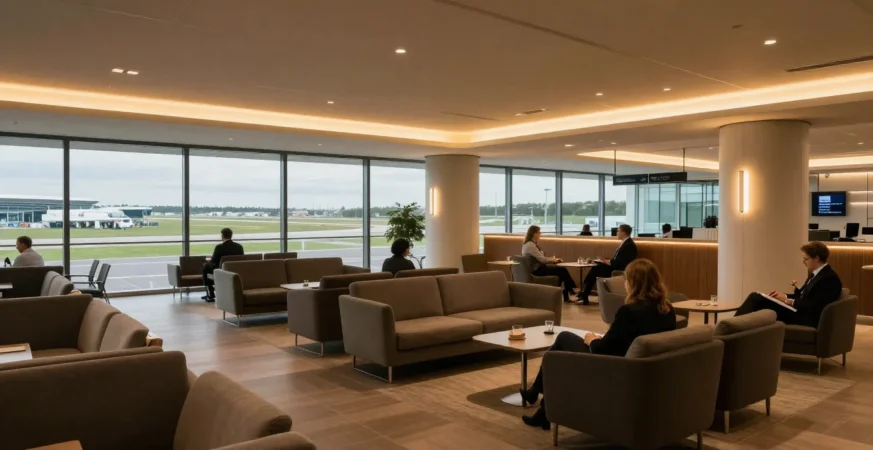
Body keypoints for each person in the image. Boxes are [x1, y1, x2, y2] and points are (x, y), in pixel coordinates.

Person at [520, 258, 676, 430]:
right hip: (641, 368)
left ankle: (536, 395)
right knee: (557, 355)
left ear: (633, 283)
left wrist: (592, 340)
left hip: (612, 368)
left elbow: (602, 350)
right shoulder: (667, 309)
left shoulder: (629, 312)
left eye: (626, 280)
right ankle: (540, 406)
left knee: (562, 341)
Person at [734, 241, 842, 327]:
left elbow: (815, 306)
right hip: (799, 311)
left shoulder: (829, 279)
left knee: (756, 298)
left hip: (806, 317)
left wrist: (787, 301)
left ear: (817, 258)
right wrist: (783, 296)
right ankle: (739, 331)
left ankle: (732, 328)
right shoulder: (817, 274)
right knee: (760, 297)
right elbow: (802, 296)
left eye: (806, 259)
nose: (803, 262)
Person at [578, 224, 637, 304]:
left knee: (596, 269)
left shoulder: (629, 245)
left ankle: (585, 292)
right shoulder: (625, 243)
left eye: (618, 231)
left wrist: (606, 261)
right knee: (597, 267)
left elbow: (619, 263)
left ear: (623, 232)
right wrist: (603, 261)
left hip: (618, 270)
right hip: (614, 267)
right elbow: (616, 260)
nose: (617, 233)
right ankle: (585, 292)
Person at [521, 225, 579, 303]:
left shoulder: (530, 244)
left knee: (561, 272)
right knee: (562, 270)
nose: (540, 235)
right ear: (534, 234)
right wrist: (554, 260)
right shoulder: (530, 245)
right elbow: (542, 259)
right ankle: (571, 289)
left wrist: (553, 259)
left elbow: (541, 257)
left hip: (537, 268)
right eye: (539, 233)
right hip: (536, 270)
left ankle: (568, 293)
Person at [202, 228, 244, 302]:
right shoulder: (239, 247)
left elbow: (213, 261)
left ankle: (210, 292)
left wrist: (207, 263)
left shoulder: (219, 247)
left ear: (222, 236)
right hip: (236, 271)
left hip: (222, 271)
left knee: (205, 267)